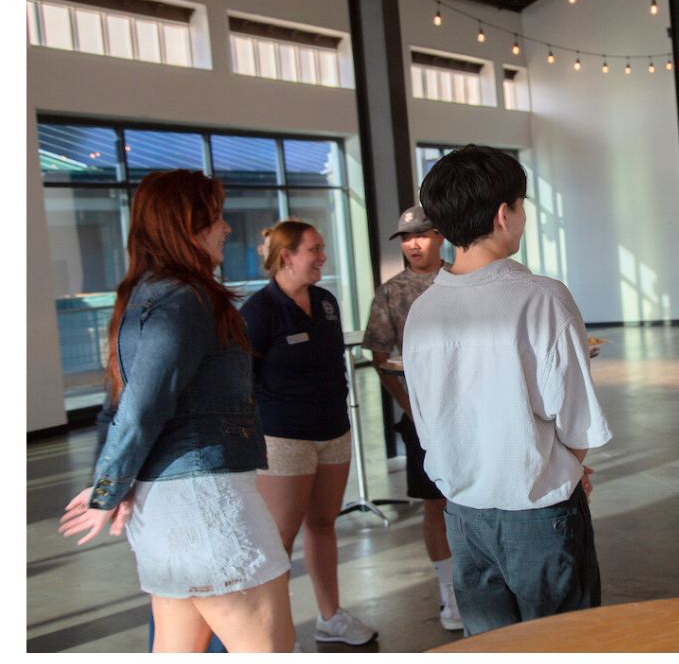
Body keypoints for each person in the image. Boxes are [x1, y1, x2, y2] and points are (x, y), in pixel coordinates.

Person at [59, 170, 295, 652]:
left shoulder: (146, 296)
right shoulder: (182, 300)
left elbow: (120, 405)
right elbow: (140, 407)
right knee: (270, 648)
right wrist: (106, 490)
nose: (227, 227)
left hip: (168, 503)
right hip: (202, 501)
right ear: (186, 225)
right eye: (216, 217)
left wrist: (111, 486)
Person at [401, 145, 613, 636]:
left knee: (491, 647)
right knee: (564, 645)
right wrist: (566, 467)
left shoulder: (423, 311)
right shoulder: (542, 297)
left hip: (464, 519)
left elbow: (428, 425)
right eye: (521, 204)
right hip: (540, 517)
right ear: (503, 214)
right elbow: (576, 420)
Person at [239, 221, 377, 646]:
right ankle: (276, 634)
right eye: (314, 249)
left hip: (334, 430)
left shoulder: (325, 301)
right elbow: (242, 380)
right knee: (279, 538)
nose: (323, 257)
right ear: (287, 256)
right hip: (284, 437)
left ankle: (330, 617)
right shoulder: (259, 311)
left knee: (323, 523)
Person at [361, 206, 461, 631]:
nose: (412, 245)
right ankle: (449, 592)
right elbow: (380, 354)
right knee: (435, 503)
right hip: (422, 416)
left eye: (419, 235)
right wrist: (411, 406)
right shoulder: (392, 292)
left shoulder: (463, 279)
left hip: (470, 408)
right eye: (405, 238)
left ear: (439, 235)